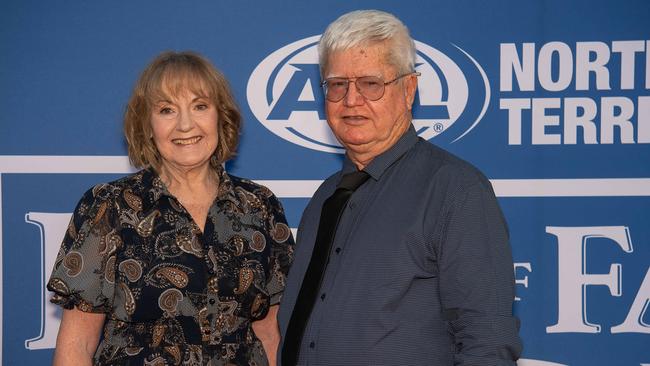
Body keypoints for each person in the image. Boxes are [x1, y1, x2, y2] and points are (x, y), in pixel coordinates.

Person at [277, 10, 522, 366]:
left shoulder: (456, 191)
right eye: (337, 84)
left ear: (409, 89)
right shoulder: (326, 198)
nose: (351, 100)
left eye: (371, 84)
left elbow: (487, 342)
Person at [47, 51, 294, 365]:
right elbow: (77, 345)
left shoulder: (259, 206)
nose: (186, 124)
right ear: (147, 125)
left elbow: (270, 332)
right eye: (167, 110)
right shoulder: (110, 206)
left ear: (221, 116)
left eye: (200, 106)